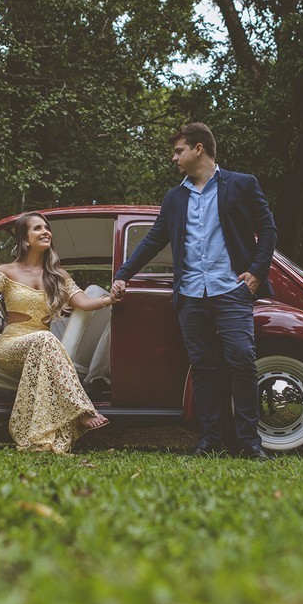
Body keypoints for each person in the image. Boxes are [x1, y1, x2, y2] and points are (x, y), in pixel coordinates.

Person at [112, 122, 277, 460]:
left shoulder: (242, 184)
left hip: (231, 290)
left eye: (179, 151)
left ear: (198, 148)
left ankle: (249, 441)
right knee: (203, 366)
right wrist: (124, 273)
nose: (174, 158)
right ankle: (210, 439)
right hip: (190, 294)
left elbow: (268, 229)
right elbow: (155, 239)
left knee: (242, 360)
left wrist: (257, 273)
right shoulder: (175, 197)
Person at [0, 212, 118, 454]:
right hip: (11, 345)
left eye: (47, 228)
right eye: (37, 228)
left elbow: (85, 302)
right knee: (46, 338)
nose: (45, 231)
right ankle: (82, 411)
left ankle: (75, 413)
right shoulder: (6, 270)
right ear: (25, 239)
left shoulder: (58, 275)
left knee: (45, 338)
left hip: (42, 346)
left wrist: (111, 299)